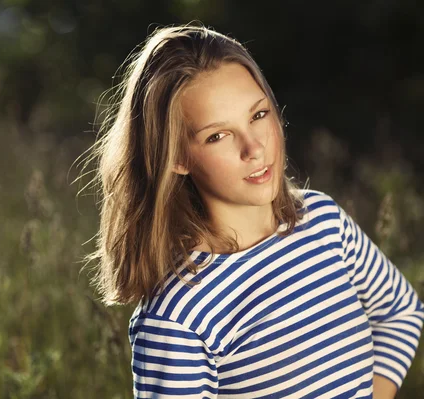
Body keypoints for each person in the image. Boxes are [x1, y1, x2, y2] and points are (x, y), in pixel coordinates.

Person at [77, 22, 424, 398]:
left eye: (258, 115)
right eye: (217, 136)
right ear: (176, 158)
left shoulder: (325, 222)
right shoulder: (177, 317)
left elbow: (401, 313)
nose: (254, 148)